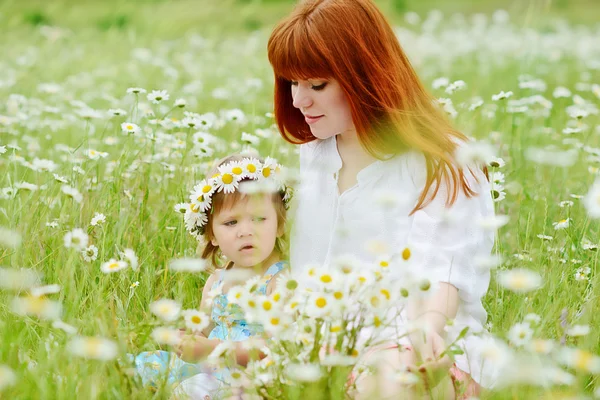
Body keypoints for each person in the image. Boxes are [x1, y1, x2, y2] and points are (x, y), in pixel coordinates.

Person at [267, 0, 496, 398]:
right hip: (325, 342)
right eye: (292, 82)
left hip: (416, 346)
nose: (299, 100)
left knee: (387, 376)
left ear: (363, 76)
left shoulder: (444, 160)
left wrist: (427, 330)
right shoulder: (315, 154)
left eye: (316, 85)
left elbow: (444, 270)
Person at [130, 154, 291, 399]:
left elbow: (274, 346)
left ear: (279, 225)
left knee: (196, 390)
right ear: (212, 235)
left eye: (259, 219)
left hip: (247, 374)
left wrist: (210, 349)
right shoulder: (217, 281)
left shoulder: (279, 281)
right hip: (208, 365)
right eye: (231, 222)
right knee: (140, 367)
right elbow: (205, 330)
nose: (245, 231)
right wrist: (186, 339)